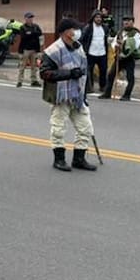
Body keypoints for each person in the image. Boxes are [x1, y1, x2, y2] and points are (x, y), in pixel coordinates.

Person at [39, 18, 97, 172]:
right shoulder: (52, 51)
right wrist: (69, 74)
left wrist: (85, 93)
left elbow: (84, 72)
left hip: (77, 96)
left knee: (86, 128)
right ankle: (59, 159)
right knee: (58, 128)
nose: (77, 32)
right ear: (66, 32)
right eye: (74, 29)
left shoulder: (79, 47)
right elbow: (44, 73)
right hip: (61, 95)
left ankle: (79, 158)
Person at [100, 16, 140, 101]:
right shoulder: (120, 32)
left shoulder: (136, 33)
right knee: (111, 74)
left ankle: (127, 95)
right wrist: (115, 45)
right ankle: (107, 93)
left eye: (128, 21)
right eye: (125, 21)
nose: (126, 23)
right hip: (119, 58)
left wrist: (124, 43)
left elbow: (135, 44)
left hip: (129, 58)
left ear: (132, 22)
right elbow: (114, 42)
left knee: (130, 77)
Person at [79, 10, 110, 94]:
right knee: (89, 70)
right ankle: (90, 87)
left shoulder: (105, 27)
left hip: (102, 52)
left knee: (103, 70)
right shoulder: (88, 28)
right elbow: (82, 39)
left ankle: (103, 86)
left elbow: (108, 38)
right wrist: (82, 50)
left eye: (100, 17)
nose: (98, 19)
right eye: (97, 17)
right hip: (90, 52)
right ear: (93, 18)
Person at [14, 12, 43, 87]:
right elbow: (24, 37)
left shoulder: (36, 26)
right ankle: (20, 81)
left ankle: (34, 81)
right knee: (22, 66)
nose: (30, 19)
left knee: (34, 67)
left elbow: (40, 34)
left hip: (34, 49)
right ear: (25, 19)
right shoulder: (22, 27)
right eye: (29, 18)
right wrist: (32, 34)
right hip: (25, 50)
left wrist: (30, 33)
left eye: (31, 17)